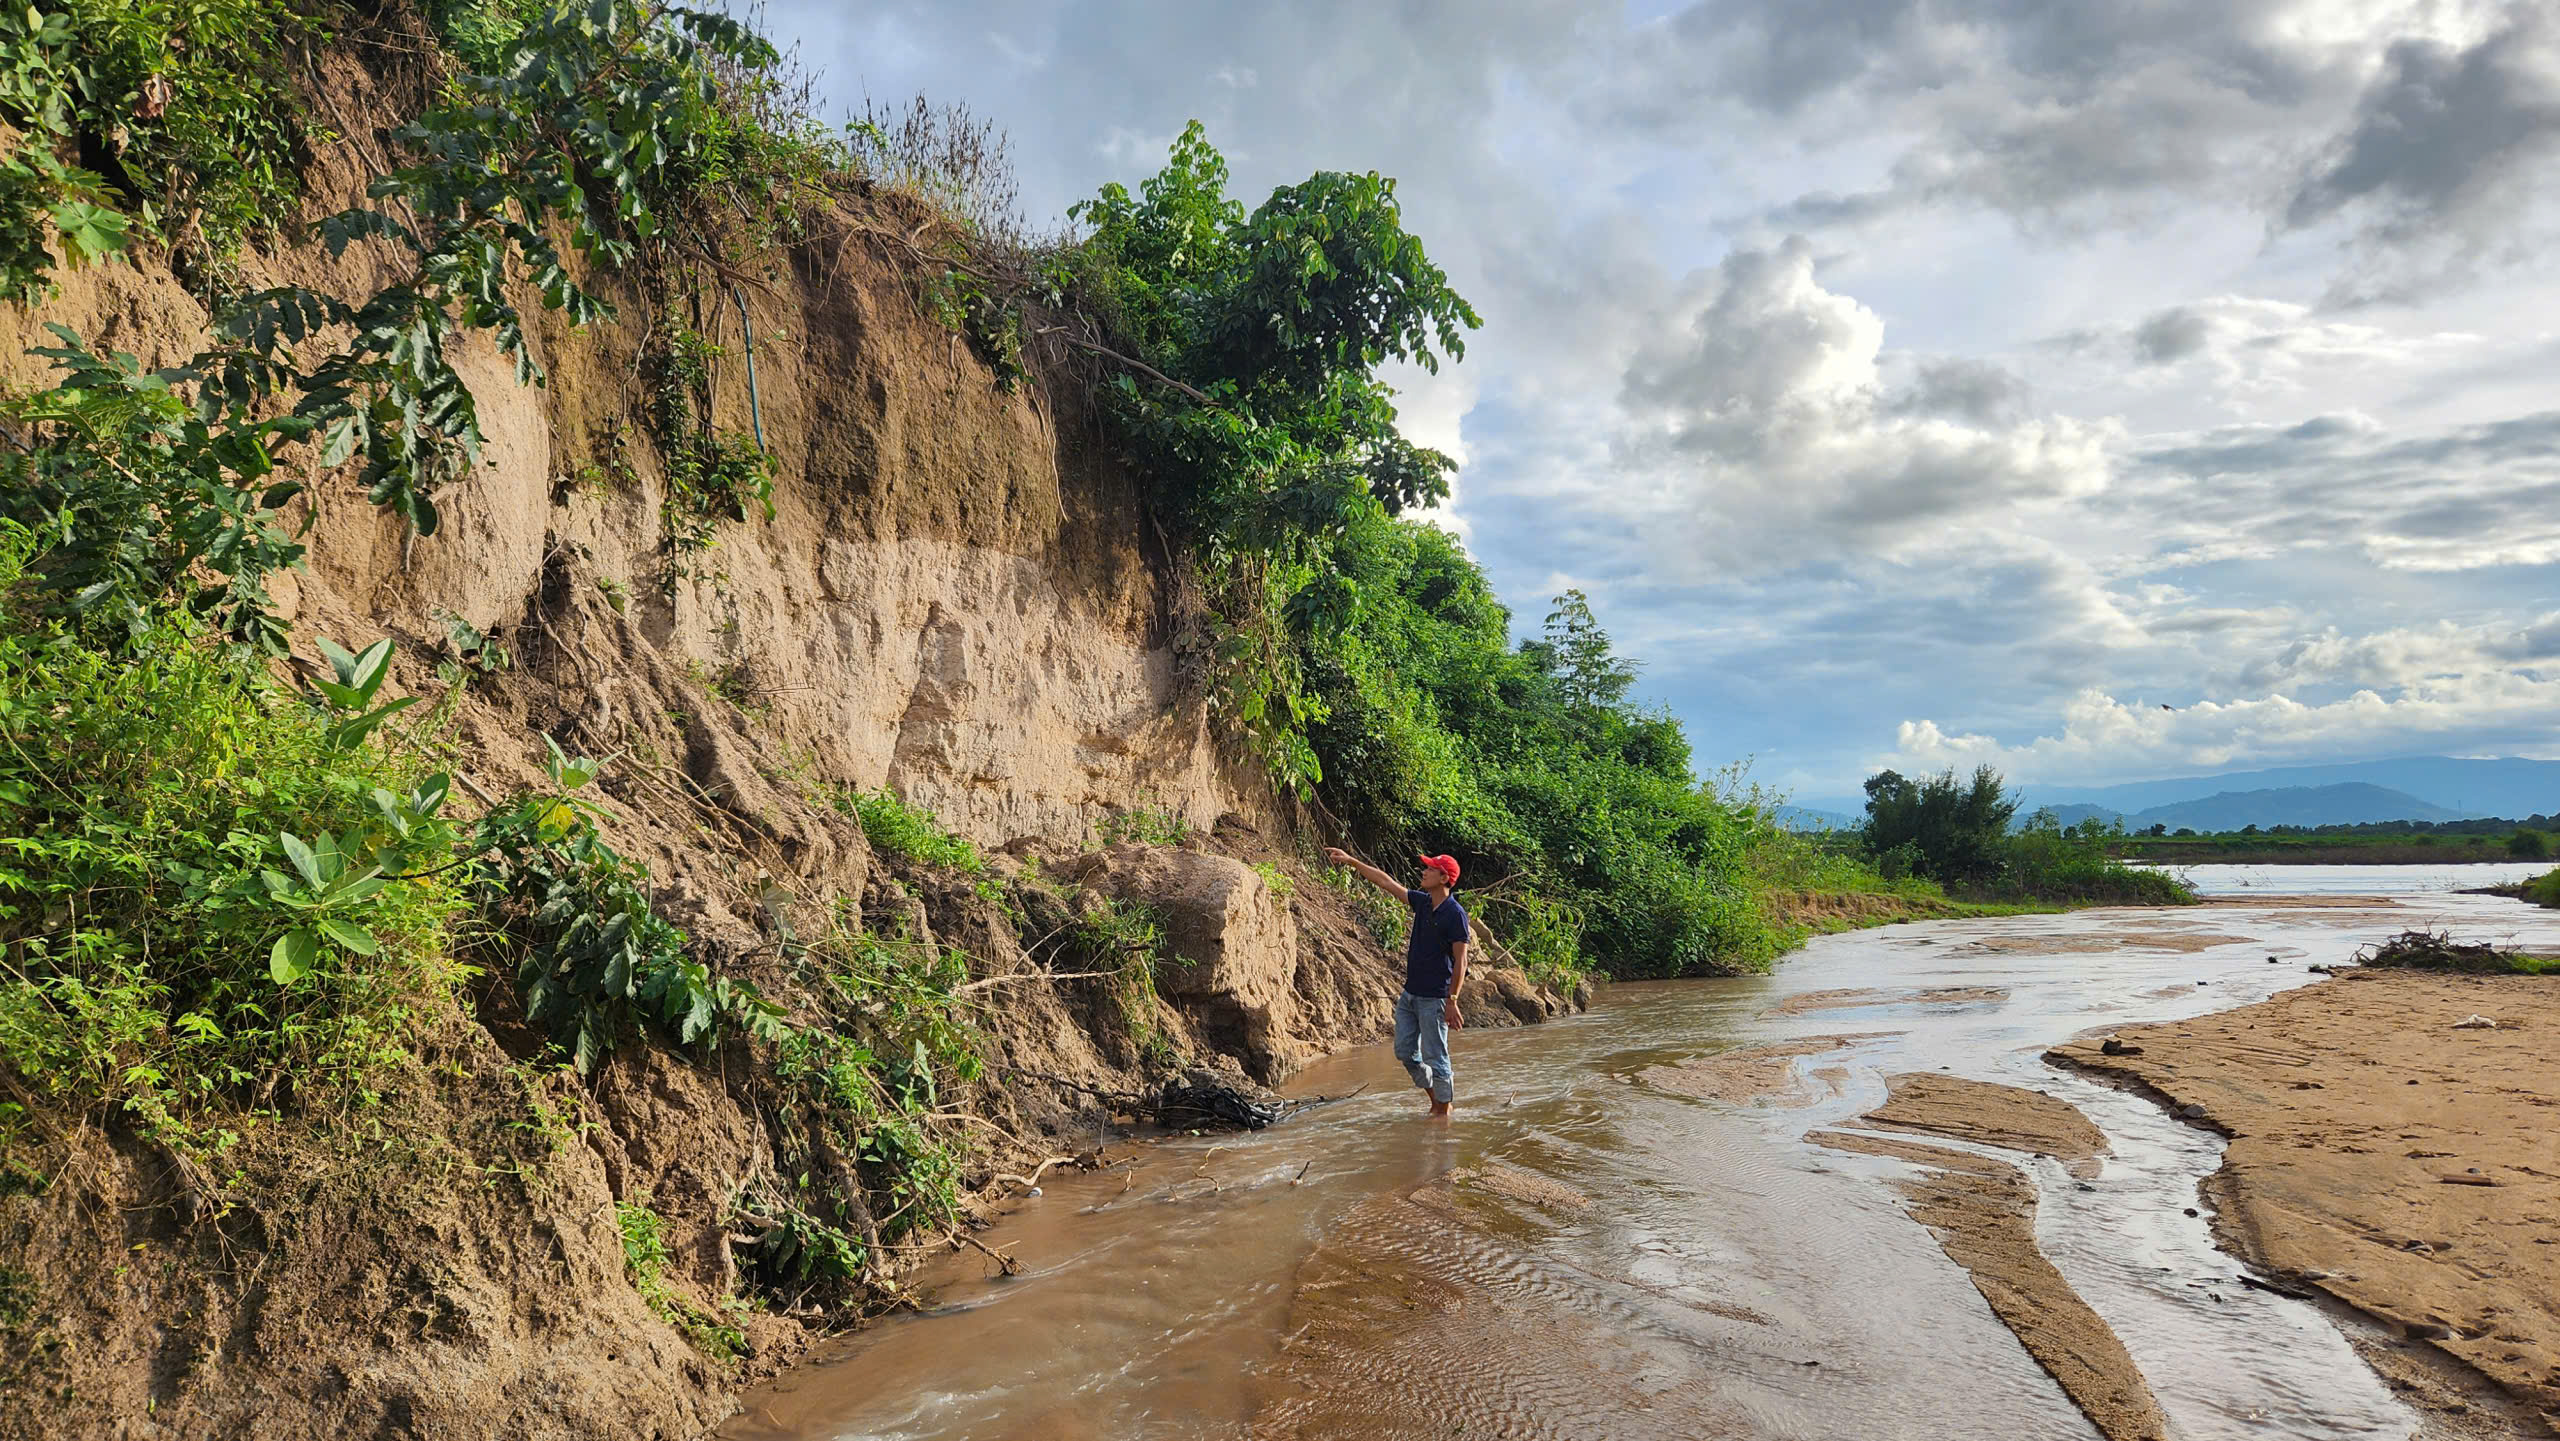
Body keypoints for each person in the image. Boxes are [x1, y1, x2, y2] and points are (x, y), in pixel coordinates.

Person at [1323, 847, 1470, 1117]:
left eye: (1430, 869)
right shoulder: (1423, 902)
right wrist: (1352, 861)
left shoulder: (1455, 914)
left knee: (1436, 1057)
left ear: (1444, 878)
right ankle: (1436, 1101)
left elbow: (1461, 961)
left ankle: (1444, 1112)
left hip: (1435, 998)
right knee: (1405, 1052)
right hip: (1410, 995)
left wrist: (1452, 1000)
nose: (1424, 872)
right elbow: (1386, 882)